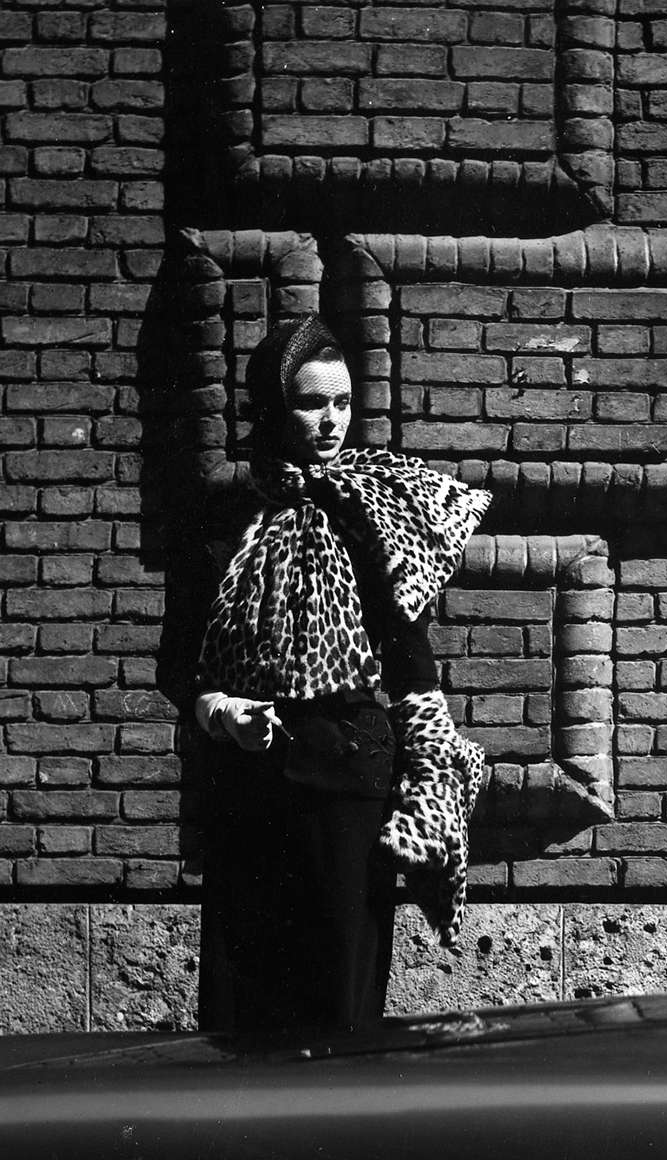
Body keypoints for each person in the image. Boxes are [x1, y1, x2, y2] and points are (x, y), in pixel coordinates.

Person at [177, 315, 490, 1033]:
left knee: (339, 1003)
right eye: (311, 403)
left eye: (343, 403)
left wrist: (434, 766)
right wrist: (222, 712)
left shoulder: (374, 509)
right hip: (247, 783)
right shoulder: (227, 521)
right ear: (271, 408)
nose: (330, 422)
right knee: (244, 1004)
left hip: (351, 776)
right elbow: (180, 662)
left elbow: (411, 660)